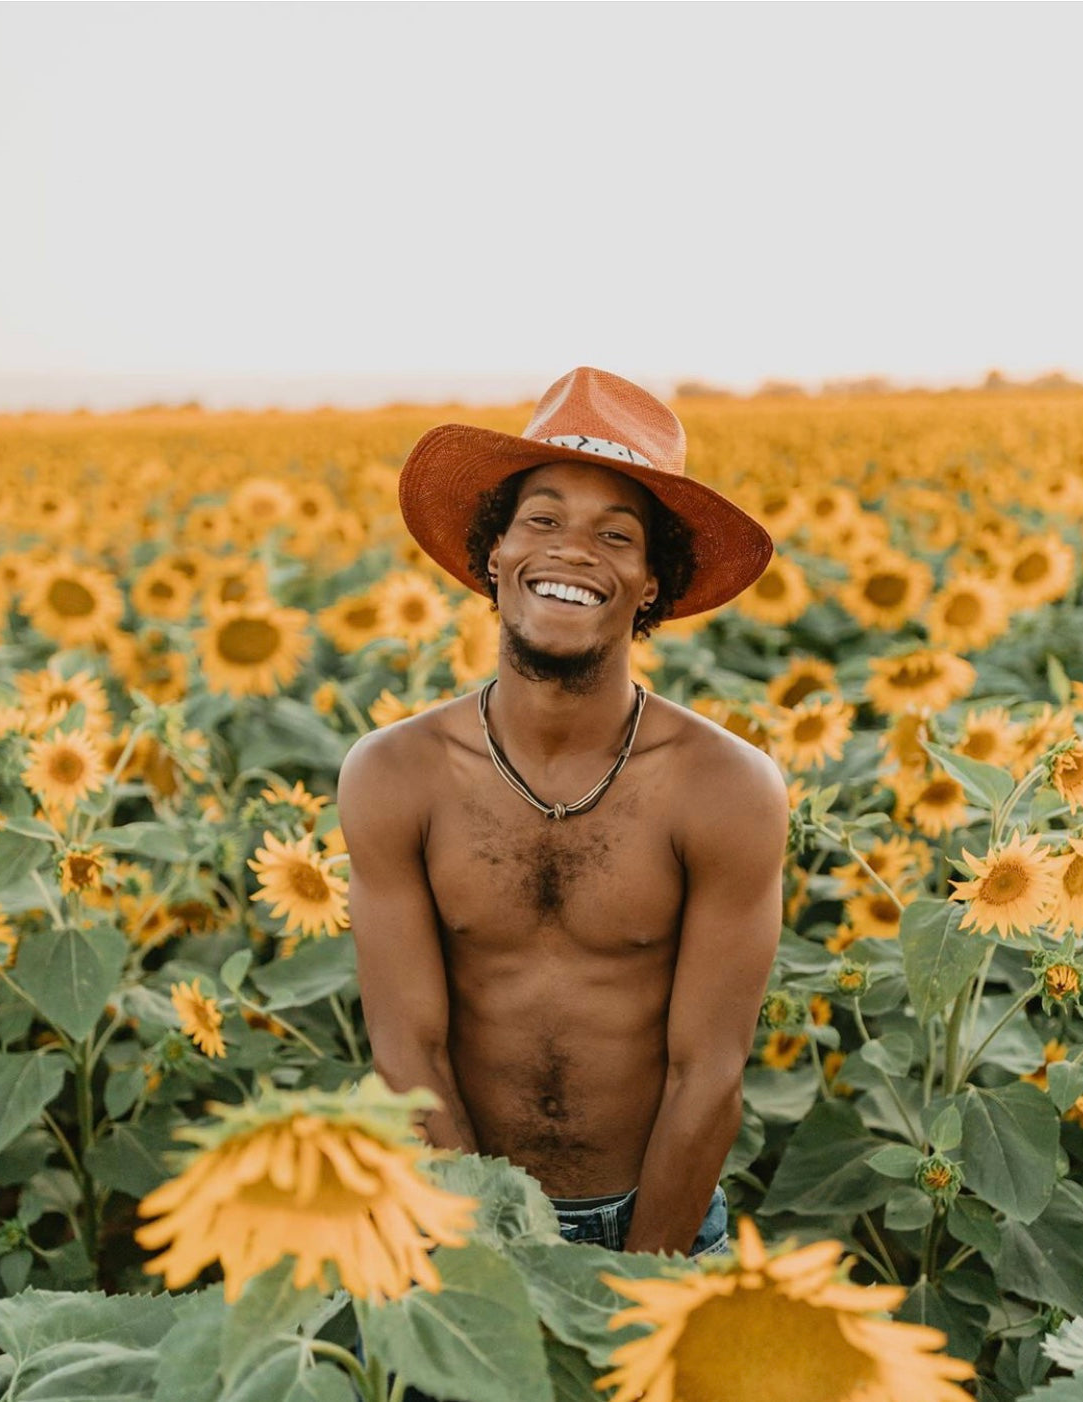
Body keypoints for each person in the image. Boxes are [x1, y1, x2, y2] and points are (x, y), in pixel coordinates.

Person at [337, 366, 788, 1259]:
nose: (574, 552)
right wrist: (492, 1267)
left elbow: (709, 1075)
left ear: (651, 581)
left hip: (656, 1219)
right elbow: (408, 1055)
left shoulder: (724, 788)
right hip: (455, 1221)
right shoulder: (395, 775)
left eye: (616, 535)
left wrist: (636, 1291)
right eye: (542, 520)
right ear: (493, 555)